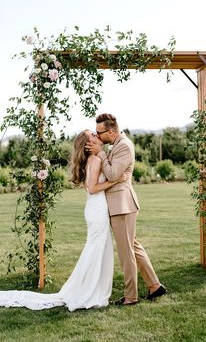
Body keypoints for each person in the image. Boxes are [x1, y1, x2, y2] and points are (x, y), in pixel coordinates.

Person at [0, 130, 128, 311]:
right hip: (97, 208)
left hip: (96, 208)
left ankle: (91, 288)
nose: (95, 134)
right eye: (92, 134)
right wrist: (116, 181)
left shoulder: (94, 159)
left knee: (98, 248)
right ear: (88, 143)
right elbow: (92, 188)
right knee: (96, 248)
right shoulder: (96, 159)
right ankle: (89, 291)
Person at [86, 113, 167, 305]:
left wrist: (101, 154)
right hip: (119, 204)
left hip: (122, 205)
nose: (97, 137)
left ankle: (131, 296)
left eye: (100, 133)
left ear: (111, 131)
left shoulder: (124, 146)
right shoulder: (116, 144)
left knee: (126, 252)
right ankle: (155, 286)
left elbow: (113, 174)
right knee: (133, 247)